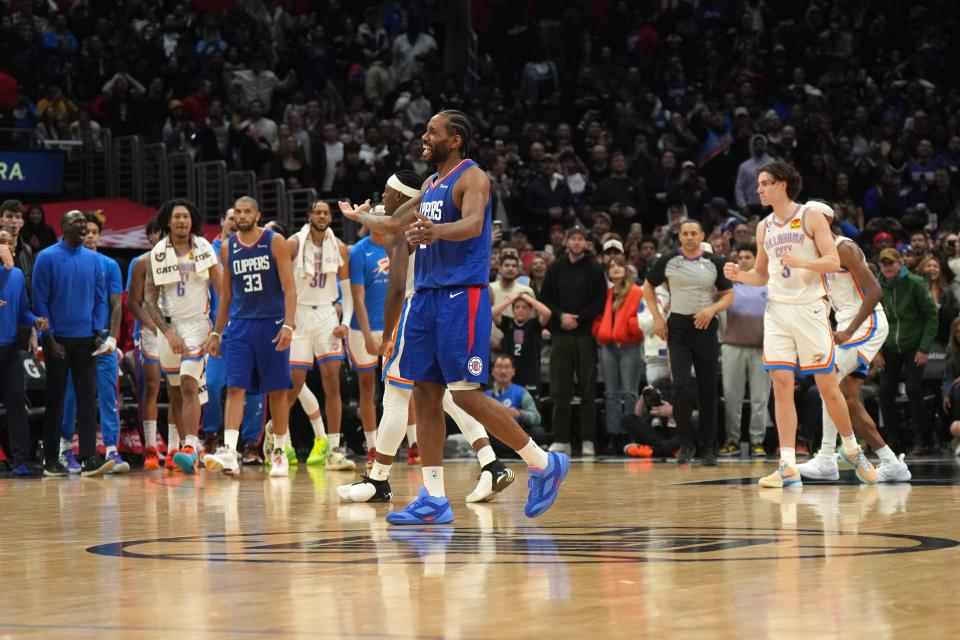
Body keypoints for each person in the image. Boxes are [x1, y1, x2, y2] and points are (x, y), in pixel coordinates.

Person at [340, 110, 569, 524]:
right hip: (426, 297)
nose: (424, 138)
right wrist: (360, 217)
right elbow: (393, 221)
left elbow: (473, 223)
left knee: (463, 394)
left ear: (456, 139)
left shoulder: (473, 177)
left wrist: (436, 232)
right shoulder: (429, 184)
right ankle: (433, 498)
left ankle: (541, 463)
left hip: (460, 297)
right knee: (426, 393)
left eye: (432, 132)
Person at [337, 170, 516, 504]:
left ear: (402, 199)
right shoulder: (420, 219)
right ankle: (492, 464)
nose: (383, 199)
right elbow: (385, 221)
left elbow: (395, 286)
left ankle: (379, 480)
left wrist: (388, 333)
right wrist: (361, 215)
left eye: (388, 194)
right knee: (446, 397)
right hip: (438, 311)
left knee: (395, 397)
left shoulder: (405, 231)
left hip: (414, 312)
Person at [723, 162, 878, 488]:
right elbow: (762, 276)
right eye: (759, 184)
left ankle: (851, 448)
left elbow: (833, 262)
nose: (760, 189)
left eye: (765, 183)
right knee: (780, 383)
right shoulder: (764, 226)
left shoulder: (810, 216)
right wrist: (740, 277)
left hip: (810, 310)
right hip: (777, 311)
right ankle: (788, 465)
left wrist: (803, 261)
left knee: (827, 385)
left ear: (783, 184)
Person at [798, 207, 911, 482]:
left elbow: (875, 291)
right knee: (847, 400)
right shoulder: (820, 256)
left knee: (827, 380)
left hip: (866, 324)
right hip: (849, 326)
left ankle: (826, 458)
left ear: (824, 222)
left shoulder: (844, 248)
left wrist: (849, 330)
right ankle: (891, 463)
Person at [202, 196, 296, 477]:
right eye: (238, 212)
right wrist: (217, 332)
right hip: (240, 326)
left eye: (247, 212)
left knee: (277, 391)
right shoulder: (227, 247)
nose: (241, 216)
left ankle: (278, 451)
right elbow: (226, 295)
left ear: (257, 214)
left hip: (271, 323)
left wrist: (289, 325)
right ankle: (230, 451)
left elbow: (289, 288)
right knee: (234, 388)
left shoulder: (274, 241)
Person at [32, 210, 114, 477]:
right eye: (77, 224)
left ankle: (89, 457)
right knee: (55, 400)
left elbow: (101, 298)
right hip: (58, 341)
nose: (83, 228)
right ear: (63, 227)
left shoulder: (94, 260)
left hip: (87, 339)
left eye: (85, 225)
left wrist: (98, 330)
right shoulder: (46, 258)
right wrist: (49, 338)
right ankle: (51, 460)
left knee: (88, 400)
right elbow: (40, 301)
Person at [645, 220, 734, 465]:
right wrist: (657, 318)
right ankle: (685, 443)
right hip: (679, 328)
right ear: (680, 237)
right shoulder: (668, 260)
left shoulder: (714, 261)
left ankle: (708, 446)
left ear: (702, 235)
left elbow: (728, 295)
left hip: (705, 328)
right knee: (681, 386)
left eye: (694, 233)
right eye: (685, 233)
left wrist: (712, 309)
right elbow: (648, 287)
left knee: (708, 389)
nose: (689, 237)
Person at [144, 199, 221, 474]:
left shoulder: (204, 248)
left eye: (186, 217)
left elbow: (222, 290)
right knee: (175, 392)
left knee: (189, 385)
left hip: (198, 326)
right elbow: (149, 299)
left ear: (192, 221)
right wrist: (166, 332)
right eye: (176, 217)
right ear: (168, 221)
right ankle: (177, 448)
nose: (181, 221)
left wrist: (218, 331)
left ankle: (191, 446)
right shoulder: (157, 252)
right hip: (170, 328)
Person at [281, 200, 356, 472]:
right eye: (318, 211)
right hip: (299, 315)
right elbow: (282, 285)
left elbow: (347, 292)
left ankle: (333, 448)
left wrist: (345, 322)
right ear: (310, 215)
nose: (322, 216)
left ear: (330, 218)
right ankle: (280, 440)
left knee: (333, 384)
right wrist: (286, 320)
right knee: (293, 385)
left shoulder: (340, 248)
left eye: (326, 212)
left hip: (326, 315)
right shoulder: (293, 243)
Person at [60, 211, 127, 474]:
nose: (89, 236)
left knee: (108, 396)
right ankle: (65, 450)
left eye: (93, 232)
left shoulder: (110, 265)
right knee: (71, 397)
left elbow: (116, 306)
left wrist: (112, 337)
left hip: (103, 341)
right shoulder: (66, 262)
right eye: (85, 231)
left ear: (100, 235)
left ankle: (112, 450)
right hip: (76, 340)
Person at [201, 207, 265, 466]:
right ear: (222, 222)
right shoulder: (207, 252)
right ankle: (211, 435)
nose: (235, 220)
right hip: (220, 332)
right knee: (214, 385)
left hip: (251, 329)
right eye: (230, 216)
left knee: (254, 390)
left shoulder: (256, 249)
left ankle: (250, 444)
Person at [539, 225, 607, 457]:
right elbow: (545, 297)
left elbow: (600, 300)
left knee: (588, 390)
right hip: (561, 335)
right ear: (567, 242)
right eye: (573, 239)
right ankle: (561, 439)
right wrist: (560, 316)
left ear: (586, 243)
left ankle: (588, 439)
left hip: (585, 334)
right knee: (560, 390)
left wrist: (580, 318)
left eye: (581, 239)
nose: (577, 243)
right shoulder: (556, 267)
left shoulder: (595, 268)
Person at [876, 247, 939, 454]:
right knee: (885, 391)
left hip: (914, 343)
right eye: (884, 264)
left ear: (900, 263)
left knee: (913, 388)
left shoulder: (915, 283)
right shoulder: (877, 286)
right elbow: (873, 319)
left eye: (891, 263)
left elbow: (931, 315)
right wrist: (876, 351)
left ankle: (921, 438)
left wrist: (924, 347)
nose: (887, 267)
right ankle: (890, 440)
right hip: (889, 345)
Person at [347, 205, 391, 468]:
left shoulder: (399, 245)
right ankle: (372, 446)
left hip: (392, 326)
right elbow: (358, 298)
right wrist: (367, 336)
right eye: (375, 215)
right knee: (367, 388)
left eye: (384, 215)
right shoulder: (360, 251)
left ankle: (413, 444)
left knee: (401, 386)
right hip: (363, 328)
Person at [0, 230, 48, 476]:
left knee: (17, 403)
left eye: (10, 243)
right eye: (1, 243)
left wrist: (35, 321)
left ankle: (21, 461)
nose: (5, 247)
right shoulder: (9, 273)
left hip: (9, 350)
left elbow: (23, 311)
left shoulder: (17, 275)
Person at [718, 242, 770, 458]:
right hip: (732, 345)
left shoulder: (768, 284)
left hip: (762, 348)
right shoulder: (729, 285)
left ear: (757, 260)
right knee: (732, 397)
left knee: (760, 398)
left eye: (748, 256)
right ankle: (732, 440)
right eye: (740, 257)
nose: (743, 260)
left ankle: (758, 441)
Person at [593, 255, 645, 454]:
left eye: (619, 265)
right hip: (609, 347)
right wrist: (600, 331)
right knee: (611, 394)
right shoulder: (606, 294)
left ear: (626, 269)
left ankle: (630, 434)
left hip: (630, 345)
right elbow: (598, 317)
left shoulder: (636, 292)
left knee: (630, 393)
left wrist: (629, 329)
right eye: (611, 266)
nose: (615, 268)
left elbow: (643, 316)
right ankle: (613, 436)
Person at [125, 219, 164, 471]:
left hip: (179, 329)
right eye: (159, 232)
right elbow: (133, 302)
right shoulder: (140, 262)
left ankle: (181, 447)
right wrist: (154, 327)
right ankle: (150, 447)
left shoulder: (184, 259)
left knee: (181, 388)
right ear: (150, 236)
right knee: (150, 388)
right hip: (150, 331)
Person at [486, 354, 547, 457]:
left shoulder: (521, 392)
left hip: (517, 434)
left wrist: (519, 413)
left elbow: (537, 418)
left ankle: (506, 452)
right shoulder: (485, 396)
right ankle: (519, 452)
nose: (503, 371)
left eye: (506, 367)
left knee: (539, 432)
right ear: (493, 371)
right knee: (483, 434)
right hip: (496, 435)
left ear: (513, 371)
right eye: (499, 367)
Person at [492, 291, 551, 392]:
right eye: (517, 307)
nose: (521, 310)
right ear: (513, 310)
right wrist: (510, 301)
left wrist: (529, 299)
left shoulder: (534, 324)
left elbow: (547, 313)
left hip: (530, 374)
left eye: (525, 307)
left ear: (530, 310)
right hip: (510, 374)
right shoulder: (508, 323)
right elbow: (492, 313)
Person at [0, 200, 33, 301]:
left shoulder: (27, 249)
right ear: (1, 221)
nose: (14, 221)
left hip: (21, 308)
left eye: (18, 217)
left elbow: (28, 282)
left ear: (22, 222)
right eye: (9, 216)